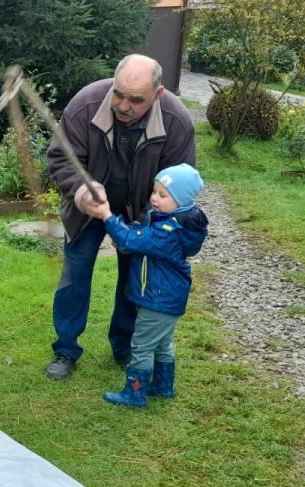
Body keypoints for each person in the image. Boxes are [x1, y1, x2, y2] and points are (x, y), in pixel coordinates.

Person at [44, 53, 197, 380]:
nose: (123, 105)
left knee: (134, 280)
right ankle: (65, 350)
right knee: (74, 276)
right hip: (87, 210)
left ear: (158, 94)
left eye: (135, 99)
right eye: (118, 94)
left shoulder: (176, 121)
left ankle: (124, 348)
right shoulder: (85, 104)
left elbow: (178, 184)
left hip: (142, 213)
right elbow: (61, 159)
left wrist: (144, 225)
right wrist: (83, 192)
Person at [75, 163, 208, 408]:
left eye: (163, 195)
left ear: (181, 200)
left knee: (142, 346)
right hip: (169, 299)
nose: (154, 198)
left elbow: (130, 240)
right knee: (163, 344)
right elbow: (143, 234)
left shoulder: (169, 230)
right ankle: (163, 387)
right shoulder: (177, 222)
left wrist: (107, 215)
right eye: (154, 192)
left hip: (157, 299)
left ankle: (134, 393)